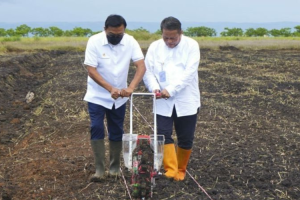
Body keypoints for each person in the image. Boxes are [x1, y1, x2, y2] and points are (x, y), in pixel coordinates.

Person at [83, 14, 146, 182]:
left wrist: (131, 87)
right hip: (97, 95)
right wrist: (110, 88)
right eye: (112, 34)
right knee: (96, 127)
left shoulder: (130, 41)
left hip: (120, 97)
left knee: (116, 129)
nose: (116, 37)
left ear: (124, 31)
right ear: (105, 30)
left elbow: (141, 65)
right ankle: (99, 170)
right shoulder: (94, 41)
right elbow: (91, 69)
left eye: (120, 34)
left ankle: (114, 168)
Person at [143, 16, 200, 181]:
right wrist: (154, 88)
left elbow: (189, 73)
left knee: (186, 137)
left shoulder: (191, 45)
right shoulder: (154, 47)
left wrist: (171, 90)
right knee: (162, 133)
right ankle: (170, 170)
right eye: (165, 37)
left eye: (173, 38)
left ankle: (181, 170)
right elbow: (148, 71)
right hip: (162, 100)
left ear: (180, 33)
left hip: (186, 99)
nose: (169, 41)